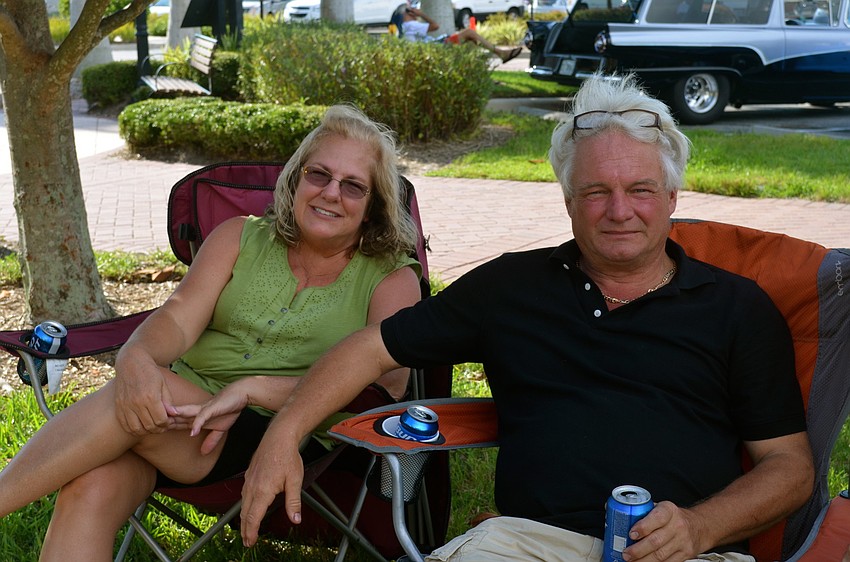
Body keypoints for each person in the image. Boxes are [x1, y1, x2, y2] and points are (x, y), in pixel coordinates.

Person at [190, 74, 815, 562]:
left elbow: (790, 470)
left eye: (641, 190)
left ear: (673, 198)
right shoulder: (514, 287)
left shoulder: (736, 307)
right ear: (569, 201)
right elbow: (370, 350)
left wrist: (701, 525)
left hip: (681, 549)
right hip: (525, 544)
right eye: (596, 191)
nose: (619, 210)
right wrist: (284, 431)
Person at [0, 104, 422, 560]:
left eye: (353, 186)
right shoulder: (238, 237)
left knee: (142, 393)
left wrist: (254, 389)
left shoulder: (391, 280)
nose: (331, 193)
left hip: (273, 433)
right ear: (297, 178)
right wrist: (136, 357)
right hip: (174, 419)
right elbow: (178, 318)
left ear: (374, 206)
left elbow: (385, 388)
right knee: (90, 487)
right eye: (319, 174)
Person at [401, 6, 523, 63]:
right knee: (469, 33)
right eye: (413, 10)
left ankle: (480, 69)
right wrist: (422, 14)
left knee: (471, 39)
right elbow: (435, 26)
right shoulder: (411, 25)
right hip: (439, 46)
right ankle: (500, 53)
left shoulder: (406, 27)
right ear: (410, 13)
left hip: (438, 44)